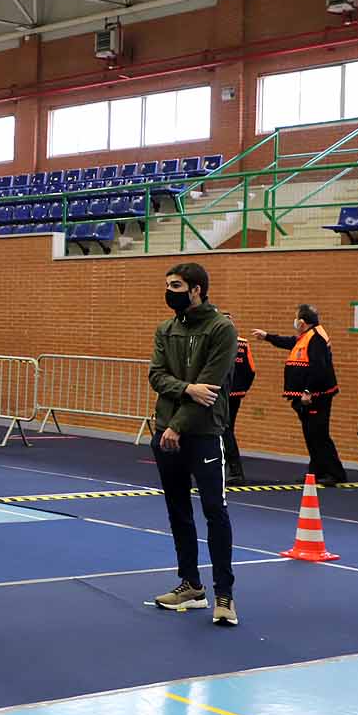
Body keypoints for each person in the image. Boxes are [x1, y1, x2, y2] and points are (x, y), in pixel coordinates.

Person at [149, 262, 239, 627]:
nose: (170, 291)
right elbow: (157, 375)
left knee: (214, 510)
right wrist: (185, 390)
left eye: (176, 285)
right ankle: (191, 585)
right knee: (177, 510)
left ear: (197, 289)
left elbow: (211, 385)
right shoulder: (165, 329)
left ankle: (224, 595)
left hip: (202, 433)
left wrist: (178, 426)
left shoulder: (222, 328)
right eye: (168, 285)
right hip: (165, 431)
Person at [252, 305, 347, 485]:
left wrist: (308, 391)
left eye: (296, 318)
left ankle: (335, 473)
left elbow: (319, 368)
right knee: (312, 436)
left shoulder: (316, 338)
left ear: (302, 322)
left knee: (319, 435)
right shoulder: (308, 336)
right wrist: (267, 337)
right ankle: (317, 471)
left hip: (315, 397)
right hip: (309, 396)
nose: (294, 322)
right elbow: (291, 342)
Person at [224, 331, 256, 485]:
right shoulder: (243, 343)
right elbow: (251, 370)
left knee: (224, 430)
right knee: (228, 429)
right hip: (236, 394)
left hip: (220, 393)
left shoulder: (216, 339)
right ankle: (230, 468)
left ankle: (235, 470)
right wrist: (243, 389)